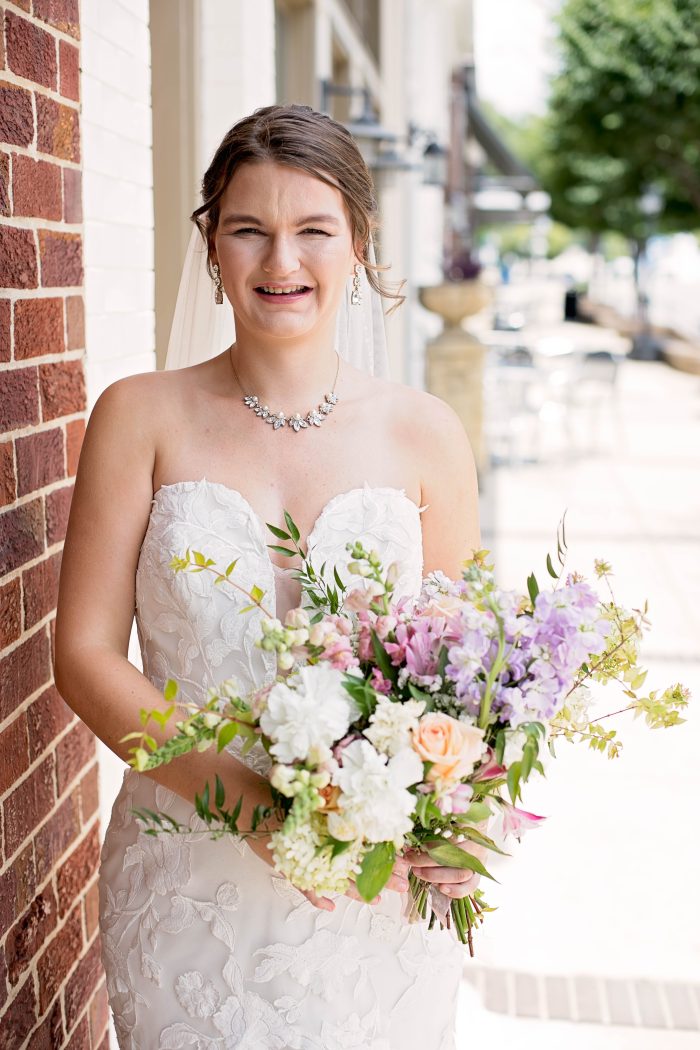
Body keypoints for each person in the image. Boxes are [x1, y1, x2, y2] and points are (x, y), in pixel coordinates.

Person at [55, 104, 482, 1049]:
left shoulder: (427, 435)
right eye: (249, 230)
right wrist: (240, 803)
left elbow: (462, 679)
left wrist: (461, 811)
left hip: (375, 895)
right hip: (189, 878)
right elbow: (84, 655)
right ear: (212, 246)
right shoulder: (139, 416)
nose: (281, 262)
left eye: (313, 232)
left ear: (360, 247)